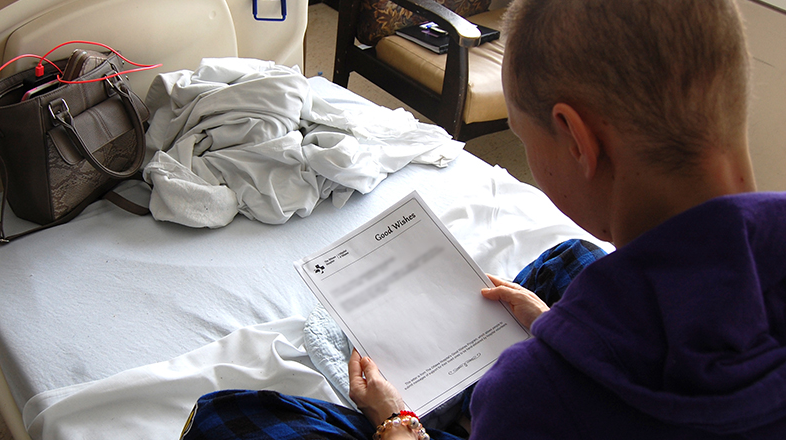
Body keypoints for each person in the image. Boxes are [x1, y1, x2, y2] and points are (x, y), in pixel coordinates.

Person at [181, 0, 786, 438]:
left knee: (227, 422)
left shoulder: (530, 399)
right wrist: (555, 328)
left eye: (525, 141)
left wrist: (395, 424)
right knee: (566, 264)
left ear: (577, 140)